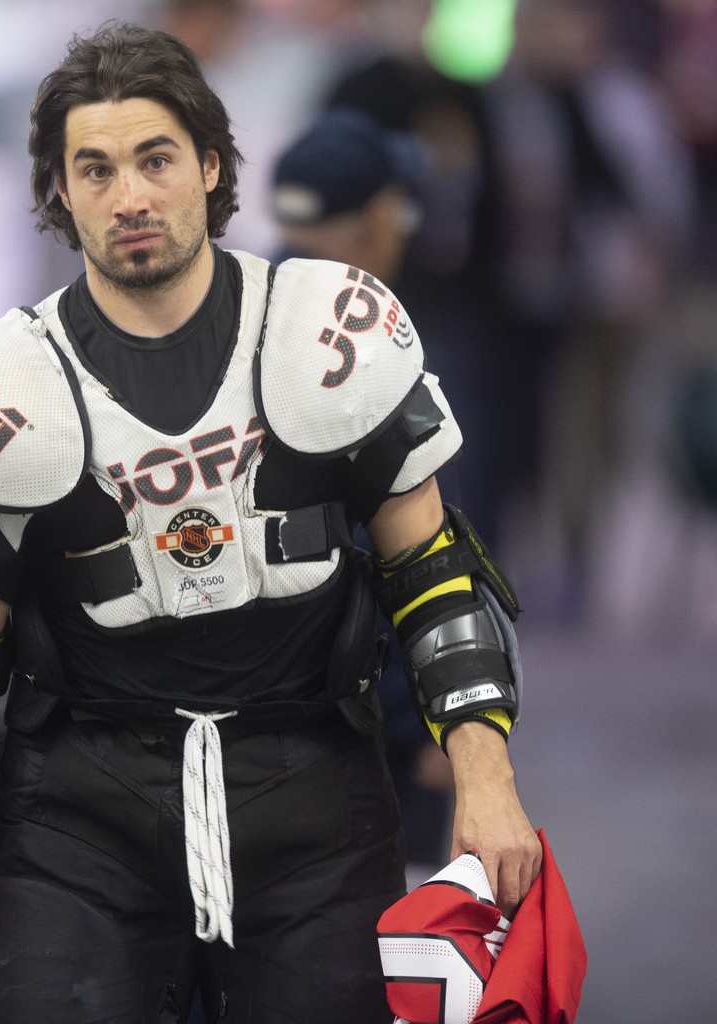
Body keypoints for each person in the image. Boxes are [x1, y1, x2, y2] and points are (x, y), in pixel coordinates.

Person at [0, 22, 542, 1024]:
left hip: (312, 800)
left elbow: (436, 574)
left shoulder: (327, 333)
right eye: (93, 169)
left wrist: (487, 779)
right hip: (76, 818)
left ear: (211, 167)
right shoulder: (7, 390)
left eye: (155, 160)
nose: (129, 196)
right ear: (59, 193)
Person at [269, 106, 457, 884]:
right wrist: (445, 724)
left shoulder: (227, 334)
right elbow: (417, 558)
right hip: (374, 732)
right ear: (378, 221)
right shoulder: (383, 356)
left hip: (253, 735)